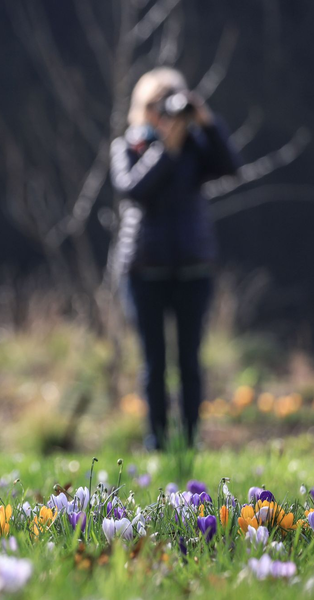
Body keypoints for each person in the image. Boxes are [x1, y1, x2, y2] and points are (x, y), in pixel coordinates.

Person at [109, 68, 242, 451]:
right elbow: (132, 190)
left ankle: (191, 439)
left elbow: (232, 167)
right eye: (154, 104)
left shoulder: (197, 146)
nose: (162, 113)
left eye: (170, 103)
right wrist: (166, 150)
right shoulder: (129, 146)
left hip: (192, 266)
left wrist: (207, 122)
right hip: (144, 268)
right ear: (140, 107)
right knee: (153, 362)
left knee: (189, 359)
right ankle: (157, 441)